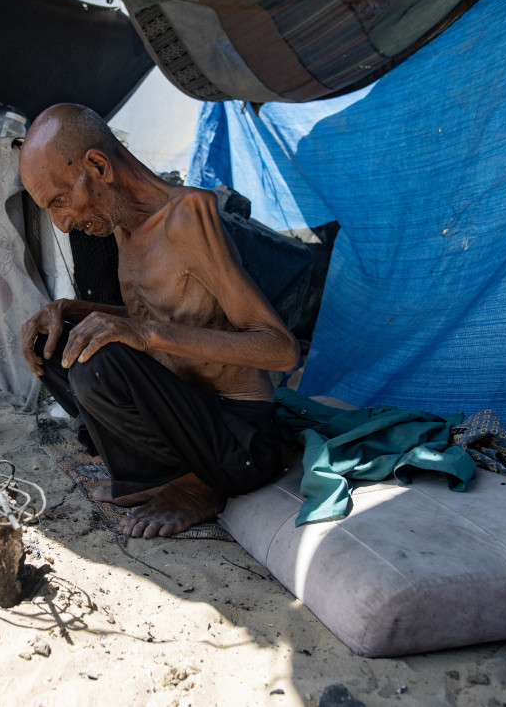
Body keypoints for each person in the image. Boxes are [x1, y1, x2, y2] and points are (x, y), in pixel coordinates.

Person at [18, 104, 300, 538]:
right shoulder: (124, 228)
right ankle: (153, 469)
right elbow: (154, 317)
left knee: (100, 361)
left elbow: (281, 350)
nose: (62, 222)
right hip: (184, 422)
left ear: (98, 165)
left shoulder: (188, 216)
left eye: (59, 201)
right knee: (52, 342)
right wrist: (72, 310)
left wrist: (145, 333)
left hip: (238, 442)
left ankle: (194, 487)